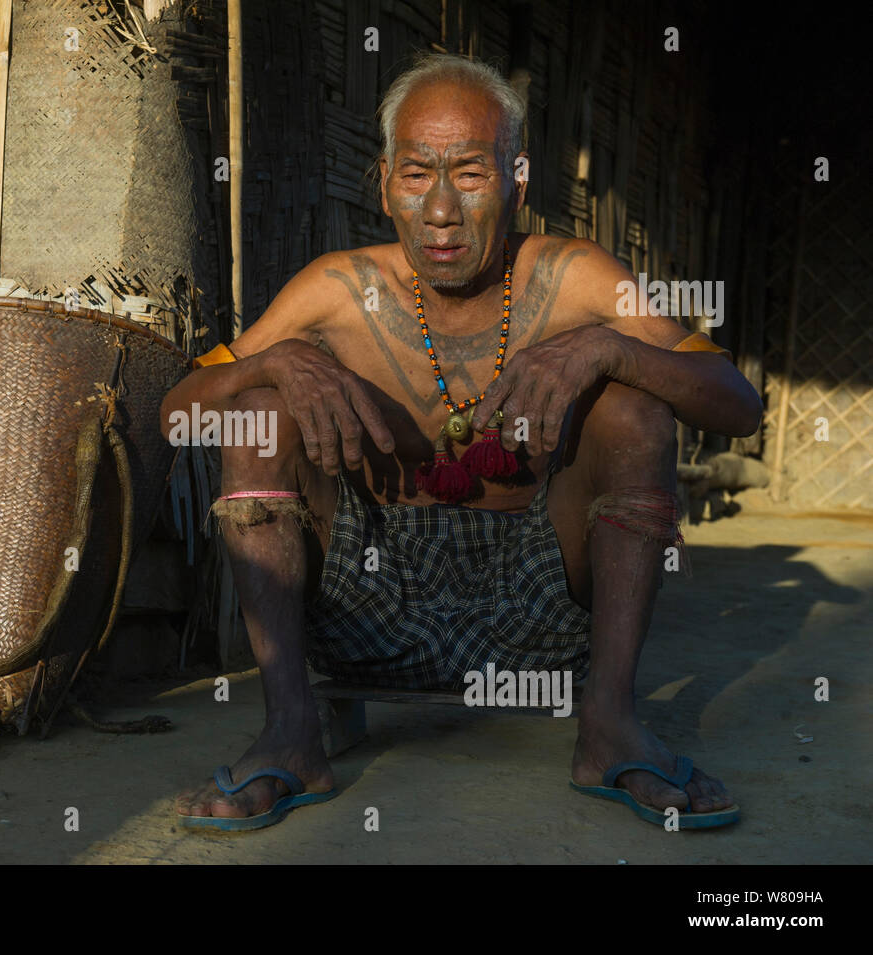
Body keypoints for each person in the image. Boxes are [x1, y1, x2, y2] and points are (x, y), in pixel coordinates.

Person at [161, 53, 761, 831]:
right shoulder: (336, 291)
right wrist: (276, 363)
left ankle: (609, 727)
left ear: (516, 178)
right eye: (417, 175)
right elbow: (178, 415)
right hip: (362, 607)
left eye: (470, 173)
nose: (441, 209)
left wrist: (608, 351)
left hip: (540, 611)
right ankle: (291, 733)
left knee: (633, 408)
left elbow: (738, 405)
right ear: (383, 184)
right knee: (261, 406)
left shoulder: (574, 280)